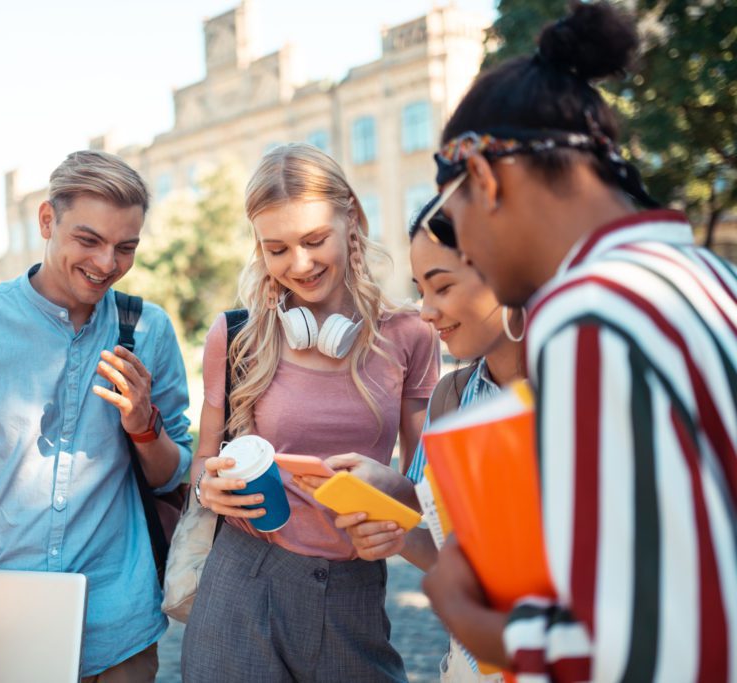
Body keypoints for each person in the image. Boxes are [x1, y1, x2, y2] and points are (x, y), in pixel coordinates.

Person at [419, 3, 737, 681]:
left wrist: (472, 620)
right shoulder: (712, 276)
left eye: (453, 221)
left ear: (482, 175)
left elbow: (653, 646)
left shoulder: (587, 313)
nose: (466, 246)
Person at [0, 150, 192, 683]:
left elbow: (173, 475)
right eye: (89, 240)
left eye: (125, 247)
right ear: (46, 221)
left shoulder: (150, 330)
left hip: (117, 629)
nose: (107, 263)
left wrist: (143, 426)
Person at [181, 143, 439, 682]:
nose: (299, 264)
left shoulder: (410, 336)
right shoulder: (235, 338)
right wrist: (208, 485)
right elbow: (203, 461)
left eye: (314, 240)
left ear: (352, 219)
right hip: (242, 575)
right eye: (276, 249)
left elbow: (426, 491)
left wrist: (388, 493)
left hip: (352, 586)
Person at [311, 200, 522, 683]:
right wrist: (396, 526)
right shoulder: (452, 397)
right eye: (420, 290)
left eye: (442, 286)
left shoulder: (590, 397)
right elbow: (447, 553)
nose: (426, 312)